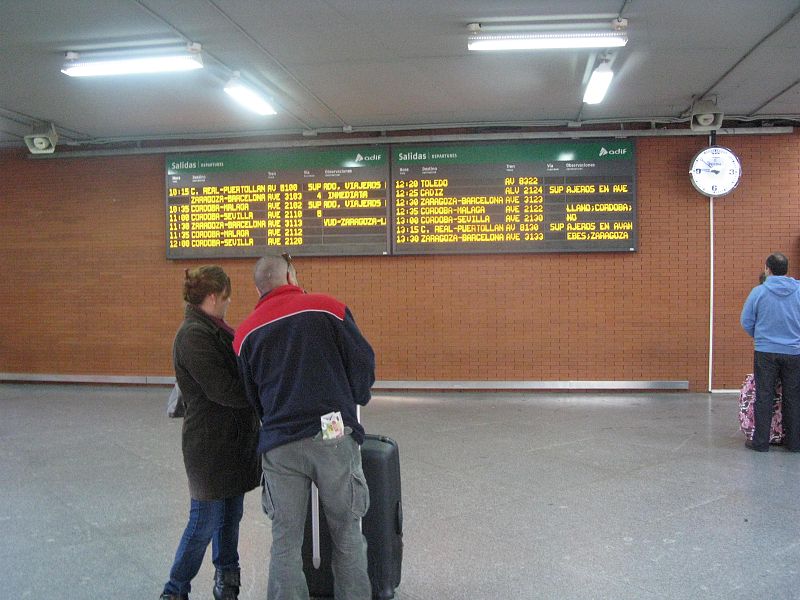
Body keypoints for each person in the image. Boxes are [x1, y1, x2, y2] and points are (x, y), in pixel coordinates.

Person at [233, 253, 374, 600]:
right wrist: (354, 397)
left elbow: (251, 396)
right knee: (346, 529)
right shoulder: (329, 308)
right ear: (292, 277)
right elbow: (363, 362)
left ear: (258, 287)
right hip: (331, 429)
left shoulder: (244, 334)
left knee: (285, 538)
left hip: (280, 441)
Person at [161, 266, 261, 600]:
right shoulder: (193, 335)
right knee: (203, 521)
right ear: (215, 296)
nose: (229, 304)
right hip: (209, 446)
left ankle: (227, 581)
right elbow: (222, 390)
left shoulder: (212, 329)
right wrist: (261, 393)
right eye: (228, 298)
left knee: (230, 516)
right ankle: (175, 590)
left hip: (229, 443)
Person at [740, 252, 800, 452]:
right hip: (794, 352)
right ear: (787, 270)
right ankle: (794, 443)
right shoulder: (799, 291)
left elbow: (746, 321)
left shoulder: (759, 292)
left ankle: (760, 443)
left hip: (765, 352)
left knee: (764, 396)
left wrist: (761, 337)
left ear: (768, 269)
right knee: (793, 397)